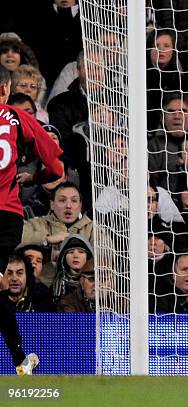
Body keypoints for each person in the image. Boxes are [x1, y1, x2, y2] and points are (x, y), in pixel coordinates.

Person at [0, 65, 63, 376]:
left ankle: (20, 360)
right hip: (5, 214)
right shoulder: (16, 117)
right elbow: (54, 162)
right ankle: (21, 361)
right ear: (4, 92)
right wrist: (38, 176)